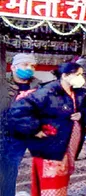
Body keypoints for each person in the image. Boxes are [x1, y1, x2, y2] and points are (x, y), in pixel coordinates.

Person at [8, 62, 86, 196]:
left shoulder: (79, 93)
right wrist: (34, 129)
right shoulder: (48, 91)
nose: (81, 78)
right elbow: (18, 110)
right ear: (65, 75)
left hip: (69, 143)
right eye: (78, 74)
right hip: (51, 144)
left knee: (63, 177)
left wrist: (82, 115)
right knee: (52, 182)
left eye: (82, 74)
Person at [0, 53, 40, 196]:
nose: (29, 68)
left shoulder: (39, 87)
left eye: (32, 65)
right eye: (25, 65)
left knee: (13, 170)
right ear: (13, 67)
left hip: (27, 136)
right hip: (6, 135)